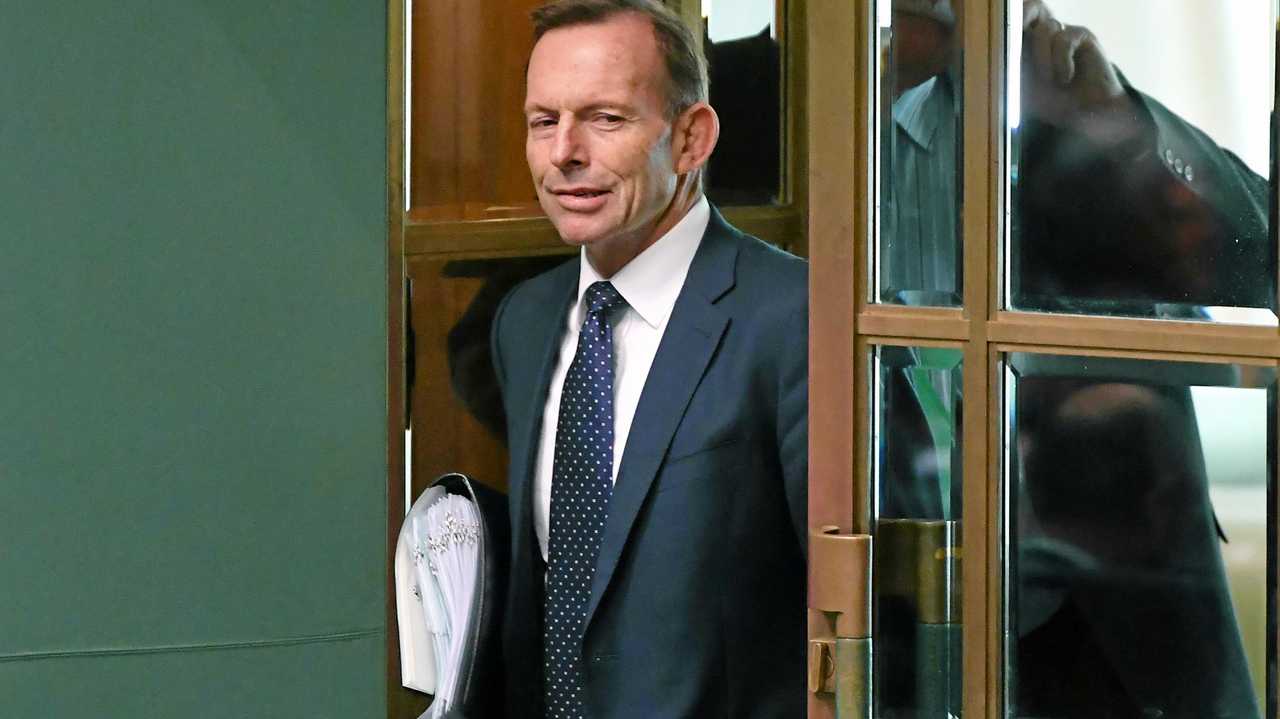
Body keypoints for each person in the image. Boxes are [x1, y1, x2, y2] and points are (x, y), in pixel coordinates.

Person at [883, 1, 1266, 716]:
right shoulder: (769, 107)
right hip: (876, 618)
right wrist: (884, 66)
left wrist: (1118, 117)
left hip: (1100, 618)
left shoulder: (1065, 117)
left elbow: (1260, 260)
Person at [489, 1, 808, 717]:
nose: (565, 151)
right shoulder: (526, 322)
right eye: (544, 121)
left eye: (605, 118)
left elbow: (873, 615)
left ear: (692, 139)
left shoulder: (794, 319)